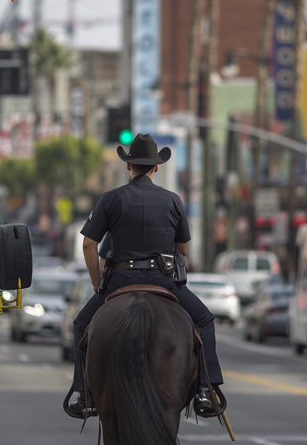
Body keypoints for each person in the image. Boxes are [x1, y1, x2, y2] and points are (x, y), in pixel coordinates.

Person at [66, 133, 224, 419]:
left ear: (129, 166)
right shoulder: (173, 200)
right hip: (163, 280)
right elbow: (183, 247)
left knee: (80, 326)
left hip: (118, 279)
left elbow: (89, 244)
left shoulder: (110, 199)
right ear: (156, 168)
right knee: (205, 321)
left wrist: (96, 282)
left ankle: (84, 394)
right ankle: (205, 389)